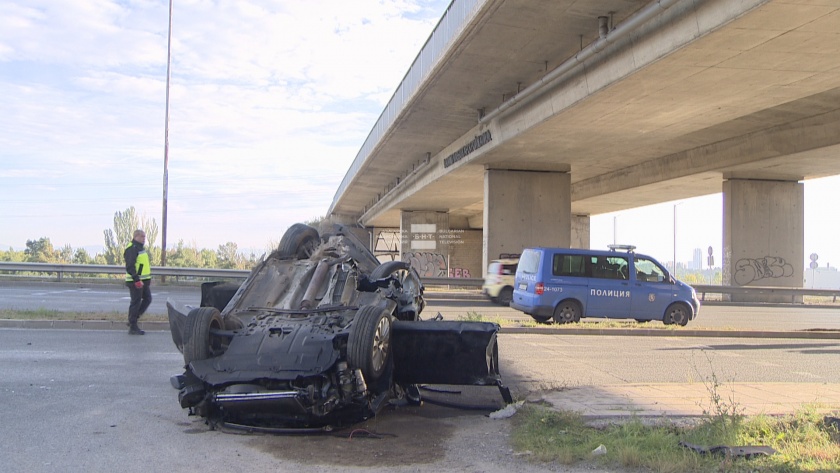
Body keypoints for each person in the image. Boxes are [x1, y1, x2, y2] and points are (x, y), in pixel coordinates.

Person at [124, 229, 152, 335]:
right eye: (142, 237)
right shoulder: (132, 248)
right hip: (135, 281)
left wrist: (147, 279)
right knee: (135, 302)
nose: (144, 239)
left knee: (147, 299)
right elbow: (130, 266)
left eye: (144, 237)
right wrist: (137, 279)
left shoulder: (140, 248)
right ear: (136, 237)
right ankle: (133, 326)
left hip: (142, 281)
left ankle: (133, 319)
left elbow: (143, 265)